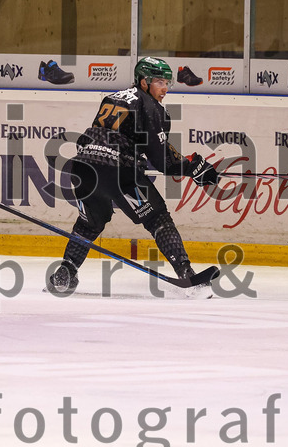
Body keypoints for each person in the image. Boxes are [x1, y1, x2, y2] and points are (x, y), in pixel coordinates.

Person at [48, 56, 220, 290]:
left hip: (83, 168)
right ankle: (186, 274)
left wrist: (189, 166)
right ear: (143, 82)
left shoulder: (113, 97)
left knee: (89, 223)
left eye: (167, 82)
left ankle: (64, 274)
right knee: (157, 218)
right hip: (118, 171)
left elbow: (97, 137)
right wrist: (195, 168)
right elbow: (162, 160)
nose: (165, 88)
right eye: (159, 82)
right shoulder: (149, 106)